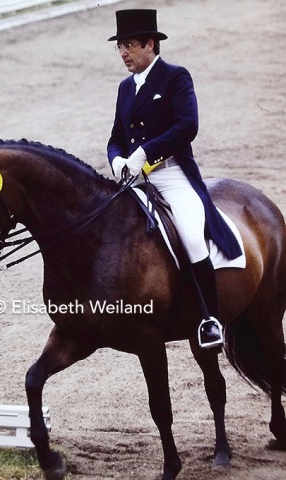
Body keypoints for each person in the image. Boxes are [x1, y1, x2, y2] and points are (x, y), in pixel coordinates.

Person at [107, 9, 242, 349]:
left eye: (129, 45)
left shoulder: (176, 77)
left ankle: (210, 320)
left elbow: (187, 126)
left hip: (171, 175)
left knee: (192, 236)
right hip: (134, 179)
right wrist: (117, 160)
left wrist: (146, 152)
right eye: (120, 46)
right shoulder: (125, 88)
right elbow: (115, 138)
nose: (123, 53)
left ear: (150, 44)